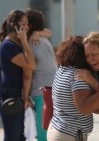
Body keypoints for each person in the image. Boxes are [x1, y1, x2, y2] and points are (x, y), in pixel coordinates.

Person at [47, 35, 99, 141]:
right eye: (87, 55)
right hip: (69, 134)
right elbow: (85, 108)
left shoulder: (63, 70)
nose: (90, 59)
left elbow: (91, 106)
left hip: (58, 129)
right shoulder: (78, 76)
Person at [0, 9, 34, 141]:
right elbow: (31, 65)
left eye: (28, 23)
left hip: (18, 96)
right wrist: (24, 41)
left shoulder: (17, 43)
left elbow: (27, 74)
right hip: (9, 96)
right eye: (24, 23)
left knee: (19, 137)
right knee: (12, 137)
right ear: (14, 24)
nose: (27, 27)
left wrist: (26, 98)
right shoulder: (8, 46)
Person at [25, 8, 57, 141]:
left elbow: (28, 72)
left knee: (42, 132)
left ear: (29, 25)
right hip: (52, 89)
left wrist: (25, 96)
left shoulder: (31, 43)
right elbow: (49, 32)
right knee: (48, 128)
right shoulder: (42, 38)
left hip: (41, 91)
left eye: (24, 23)